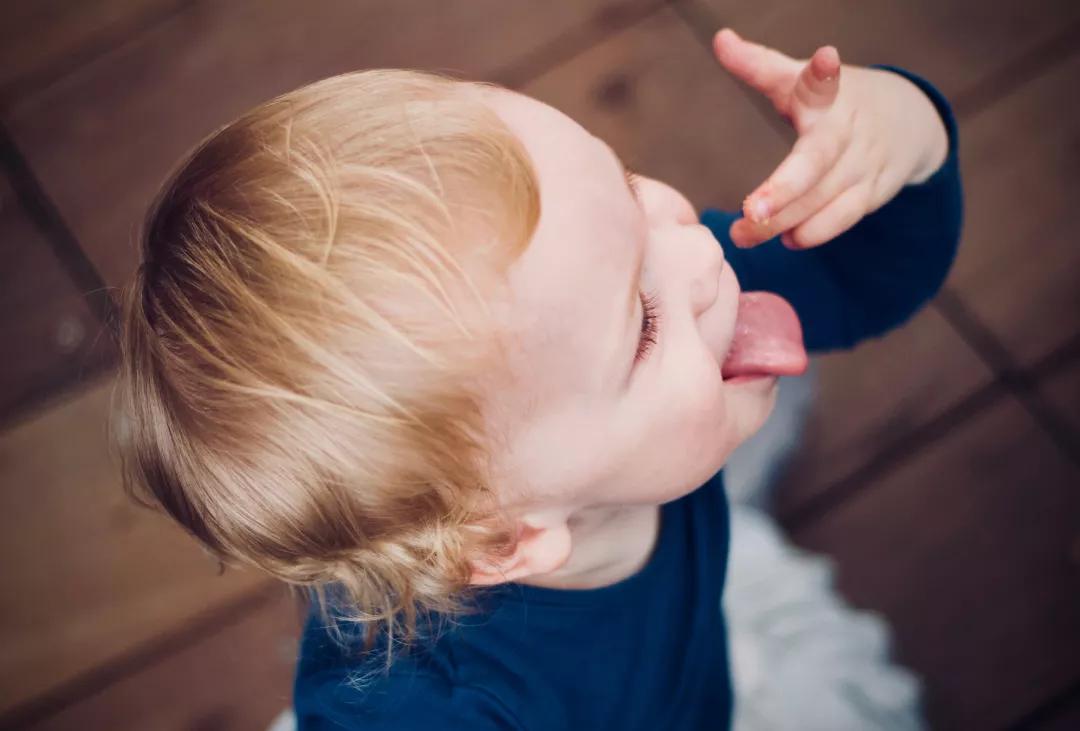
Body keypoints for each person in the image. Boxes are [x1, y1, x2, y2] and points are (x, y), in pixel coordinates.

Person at [116, 27, 960, 730]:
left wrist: (905, 138)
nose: (702, 250)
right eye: (646, 322)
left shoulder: (590, 352)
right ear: (507, 540)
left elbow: (860, 277)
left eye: (629, 189)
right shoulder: (438, 709)